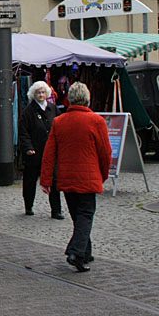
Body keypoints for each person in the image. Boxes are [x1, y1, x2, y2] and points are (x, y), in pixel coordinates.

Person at [40, 82, 111, 273]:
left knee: (78, 217)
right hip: (88, 178)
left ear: (69, 99)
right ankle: (76, 253)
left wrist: (46, 180)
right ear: (87, 99)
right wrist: (103, 175)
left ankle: (85, 252)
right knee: (85, 216)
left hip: (66, 178)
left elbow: (49, 154)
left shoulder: (59, 121)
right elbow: (105, 153)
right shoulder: (97, 121)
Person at [18, 81, 63, 218]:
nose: (41, 95)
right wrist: (28, 148)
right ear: (34, 94)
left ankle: (56, 210)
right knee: (30, 181)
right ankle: (29, 206)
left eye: (43, 92)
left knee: (54, 181)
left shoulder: (53, 109)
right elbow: (23, 132)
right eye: (38, 92)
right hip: (34, 152)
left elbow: (60, 126)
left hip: (50, 152)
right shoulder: (28, 112)